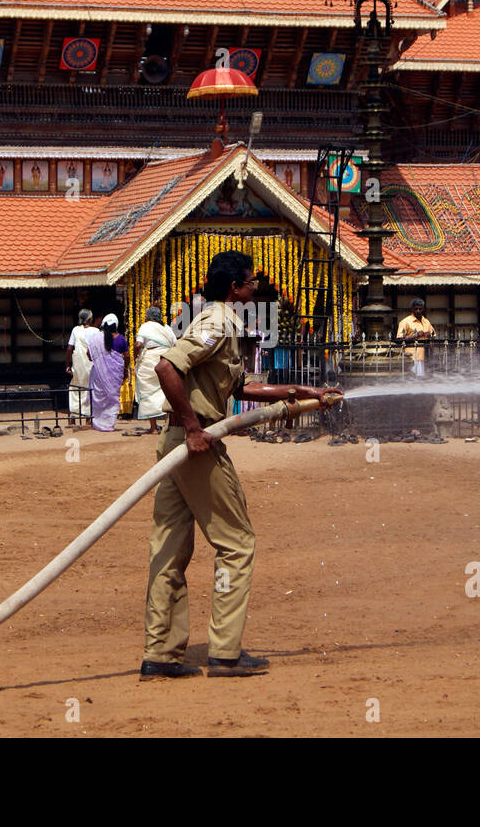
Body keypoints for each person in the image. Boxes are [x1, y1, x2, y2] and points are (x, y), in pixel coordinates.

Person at [141, 251, 340, 681]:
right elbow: (165, 367)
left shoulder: (218, 321)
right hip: (196, 445)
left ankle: (161, 653)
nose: (256, 288)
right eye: (252, 283)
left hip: (177, 442)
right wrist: (196, 429)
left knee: (169, 548)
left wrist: (305, 390)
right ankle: (225, 652)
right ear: (235, 288)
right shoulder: (217, 322)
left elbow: (244, 386)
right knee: (237, 544)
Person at [133, 306, 176, 433]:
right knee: (167, 391)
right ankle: (168, 425)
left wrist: (135, 355)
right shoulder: (167, 328)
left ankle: (153, 428)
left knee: (148, 392)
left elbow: (138, 344)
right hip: (166, 360)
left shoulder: (146, 326)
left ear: (148, 317)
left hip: (149, 362)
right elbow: (175, 343)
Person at [89, 313, 128, 432]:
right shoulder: (121, 338)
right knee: (112, 398)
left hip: (98, 374)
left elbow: (89, 355)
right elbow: (126, 356)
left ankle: (98, 423)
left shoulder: (96, 338)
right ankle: (109, 423)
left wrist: (100, 362)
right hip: (115, 376)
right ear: (116, 325)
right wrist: (125, 369)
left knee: (99, 397)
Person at [66, 309, 98, 424]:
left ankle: (73, 417)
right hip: (90, 363)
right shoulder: (95, 331)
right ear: (90, 319)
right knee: (89, 388)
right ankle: (88, 418)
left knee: (75, 387)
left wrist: (67, 366)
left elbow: (69, 348)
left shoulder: (76, 330)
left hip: (78, 364)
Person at [397, 298, 435, 377]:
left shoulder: (426, 321)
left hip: (425, 355)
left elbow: (433, 335)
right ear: (412, 309)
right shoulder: (405, 322)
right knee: (412, 378)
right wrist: (415, 336)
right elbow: (399, 339)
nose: (418, 311)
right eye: (416, 309)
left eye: (420, 309)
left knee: (423, 379)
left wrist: (429, 335)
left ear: (423, 309)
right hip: (412, 356)